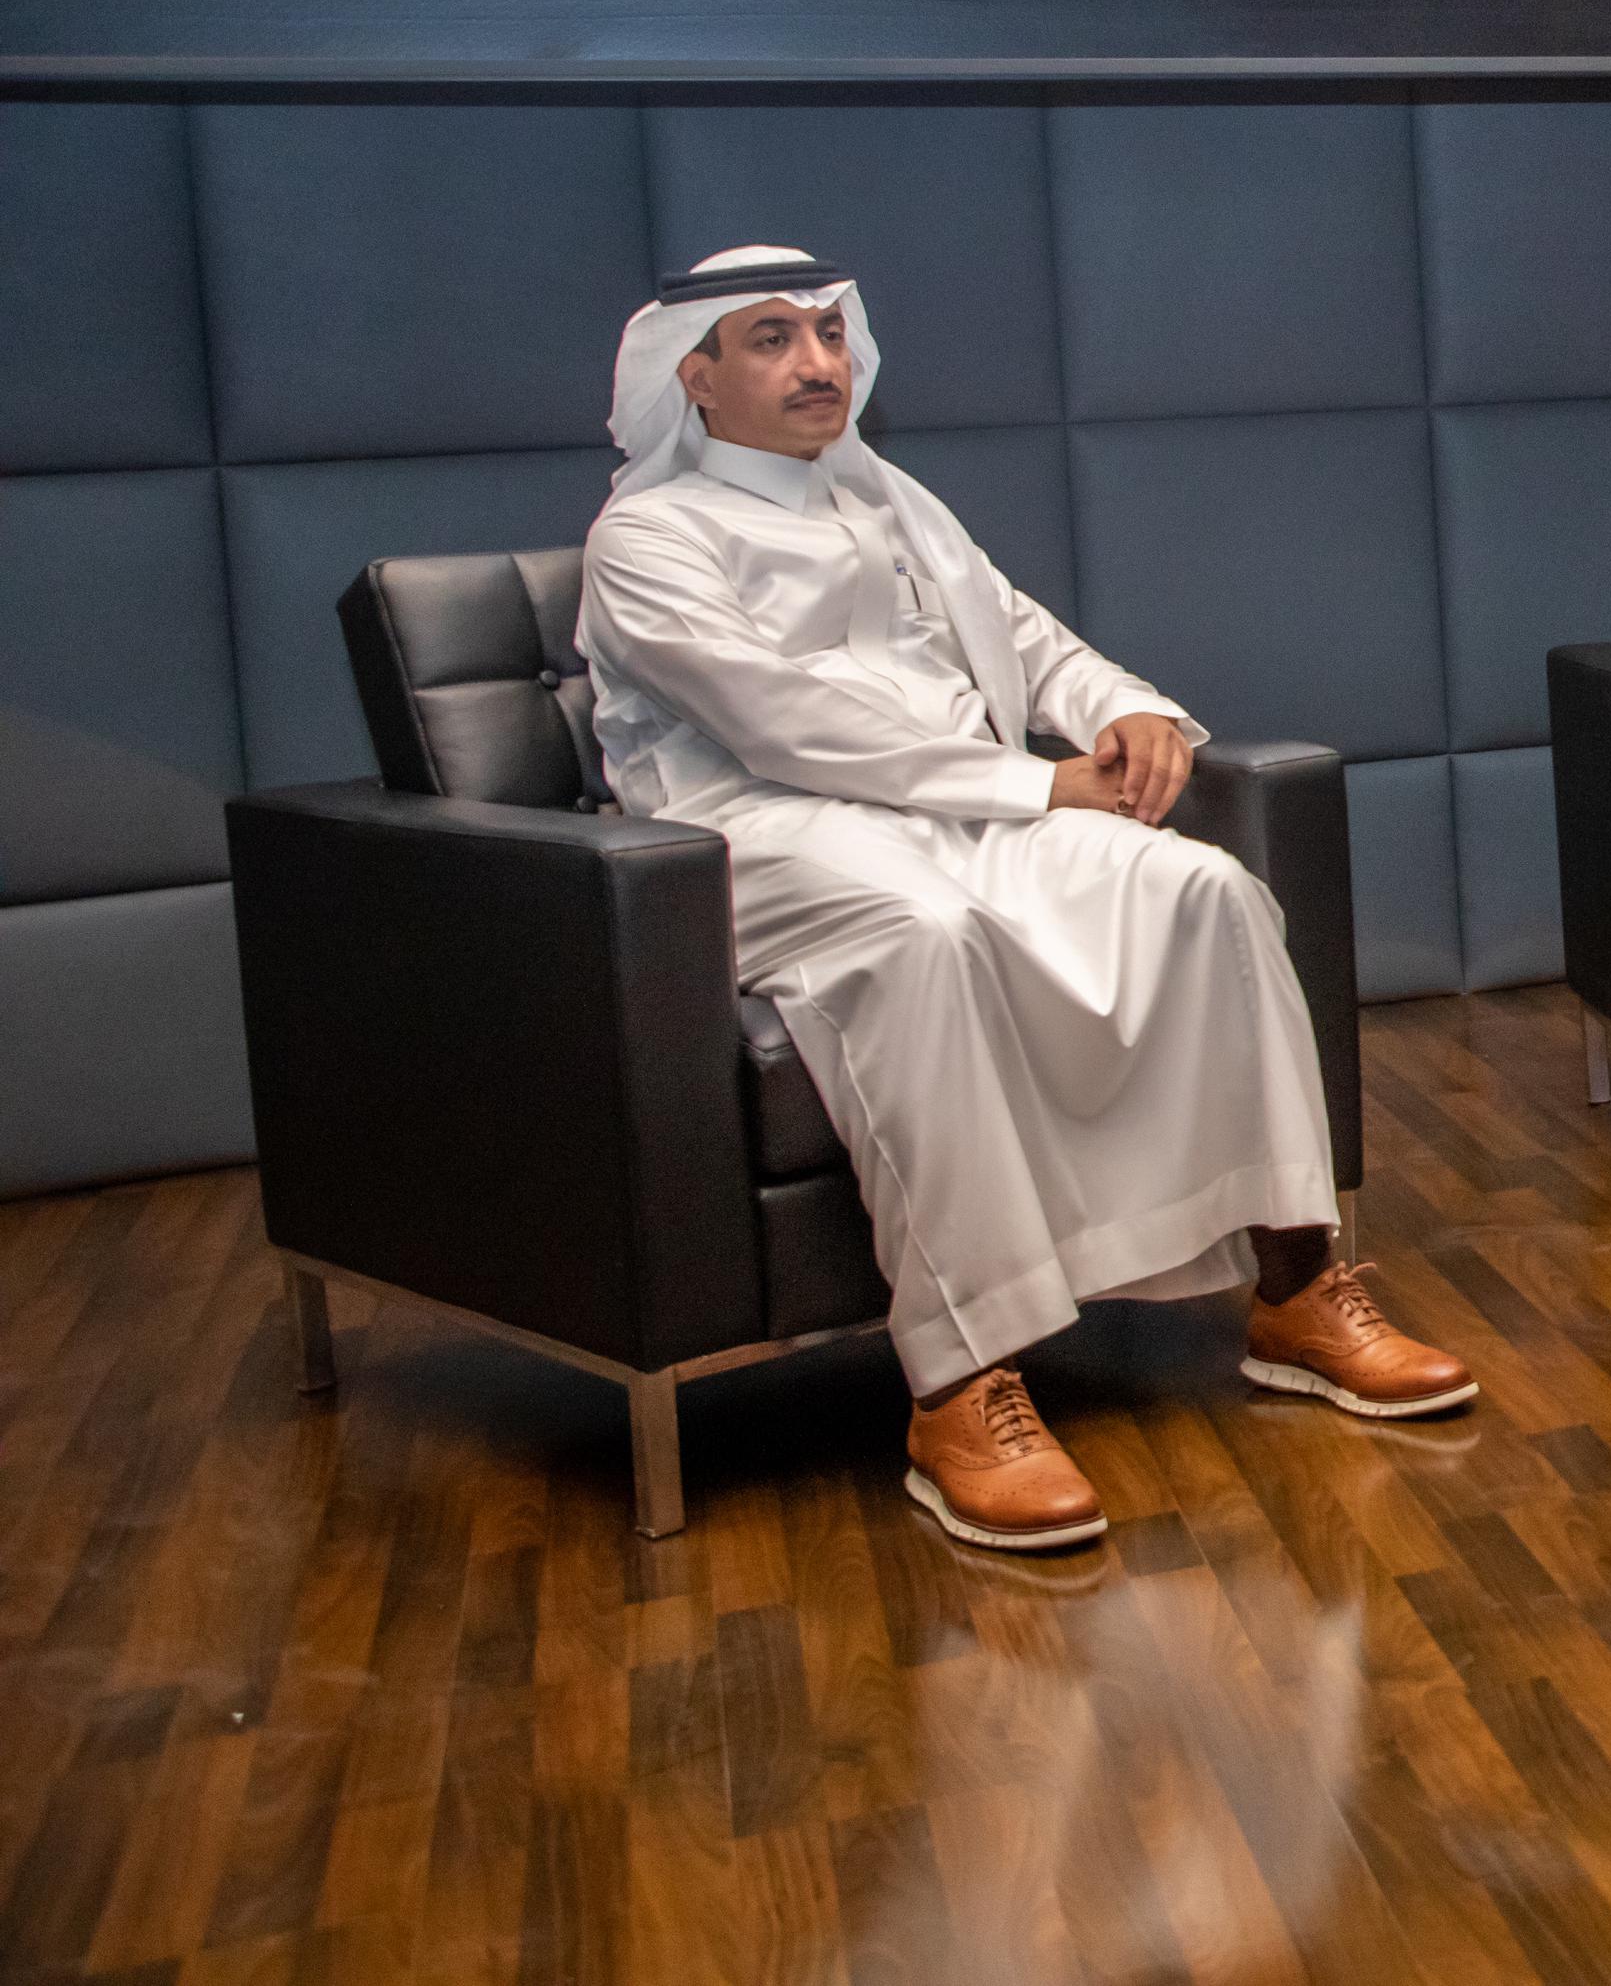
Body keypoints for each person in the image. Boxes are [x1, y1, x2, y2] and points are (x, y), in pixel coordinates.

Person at [579, 247, 1474, 1554]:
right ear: (695, 377)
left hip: (957, 808)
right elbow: (783, 726)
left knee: (1205, 890)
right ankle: (959, 1388)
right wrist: (1038, 782)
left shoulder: (885, 494)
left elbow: (1021, 629)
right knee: (924, 938)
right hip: (754, 837)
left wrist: (1127, 707)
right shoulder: (646, 536)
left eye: (827, 331)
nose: (819, 363)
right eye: (771, 339)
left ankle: (1296, 1287)